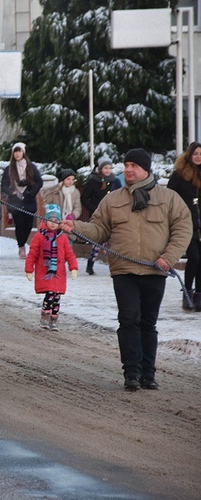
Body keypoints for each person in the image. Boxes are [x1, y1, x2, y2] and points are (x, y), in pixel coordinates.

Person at [60, 148, 192, 391]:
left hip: (155, 269)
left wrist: (169, 257)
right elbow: (98, 229)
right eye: (126, 164)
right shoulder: (113, 199)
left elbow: (183, 228)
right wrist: (75, 227)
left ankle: (148, 373)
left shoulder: (169, 198)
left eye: (134, 165)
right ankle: (131, 372)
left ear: (145, 169)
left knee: (148, 323)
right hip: (124, 270)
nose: (128, 169)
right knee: (129, 319)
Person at [25, 204, 78, 331]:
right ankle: (45, 316)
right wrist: (29, 269)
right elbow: (32, 254)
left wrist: (73, 267)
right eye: (50, 220)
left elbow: (69, 254)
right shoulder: (39, 236)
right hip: (45, 272)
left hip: (59, 273)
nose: (53, 224)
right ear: (45, 220)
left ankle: (53, 320)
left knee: (57, 297)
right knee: (50, 294)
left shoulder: (63, 238)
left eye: (56, 221)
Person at [168, 142, 201, 311]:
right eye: (195, 153)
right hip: (186, 223)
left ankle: (199, 297)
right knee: (194, 258)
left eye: (200, 154)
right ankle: (187, 294)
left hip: (200, 222)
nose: (198, 157)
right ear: (190, 154)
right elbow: (169, 197)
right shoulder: (180, 174)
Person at [1, 142, 44, 259]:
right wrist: (12, 192)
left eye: (19, 151)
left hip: (29, 199)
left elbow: (39, 182)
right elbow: (3, 185)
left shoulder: (31, 167)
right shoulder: (9, 169)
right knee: (19, 224)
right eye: (15, 151)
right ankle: (21, 247)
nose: (17, 154)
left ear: (23, 152)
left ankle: (23, 242)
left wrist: (31, 190)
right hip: (16, 201)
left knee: (28, 224)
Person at [81, 158, 122, 275]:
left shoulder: (115, 181)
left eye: (110, 168)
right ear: (100, 169)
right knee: (99, 239)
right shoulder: (93, 181)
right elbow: (85, 197)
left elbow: (120, 195)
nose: (108, 170)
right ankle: (91, 262)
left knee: (112, 240)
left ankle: (114, 264)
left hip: (113, 214)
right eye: (105, 168)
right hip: (97, 215)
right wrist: (94, 208)